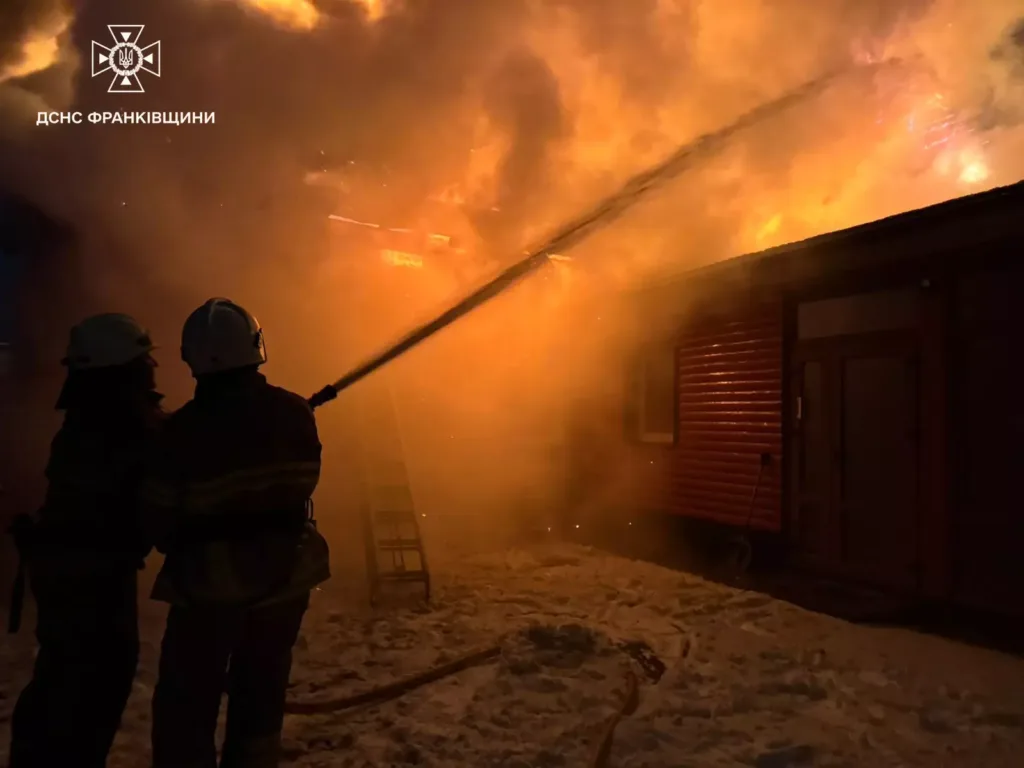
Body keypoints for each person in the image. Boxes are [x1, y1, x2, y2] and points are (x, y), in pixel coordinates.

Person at [143, 297, 330, 768]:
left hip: (207, 592)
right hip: (285, 583)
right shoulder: (293, 413)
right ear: (256, 346)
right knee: (261, 694)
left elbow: (159, 522)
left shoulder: (180, 433)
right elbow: (305, 479)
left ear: (190, 356)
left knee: (186, 706)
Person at [8, 313, 164, 768]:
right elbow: (161, 446)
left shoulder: (94, 417)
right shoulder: (114, 424)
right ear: (121, 367)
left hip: (74, 574)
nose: (151, 369)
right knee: (84, 695)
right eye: (143, 361)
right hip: (92, 581)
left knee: (63, 687)